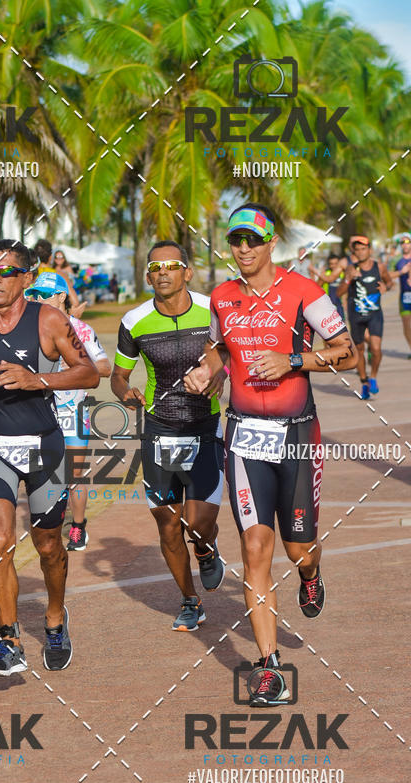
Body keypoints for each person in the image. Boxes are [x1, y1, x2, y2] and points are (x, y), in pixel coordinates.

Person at [184, 203, 358, 705]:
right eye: (236, 240)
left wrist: (293, 360)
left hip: (297, 436)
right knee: (255, 552)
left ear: (271, 243)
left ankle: (310, 571)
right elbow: (220, 349)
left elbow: (348, 351)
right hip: (243, 438)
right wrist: (207, 370)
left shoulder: (304, 291)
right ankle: (269, 667)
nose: (243, 249)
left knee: (297, 548)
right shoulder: (222, 297)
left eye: (252, 240)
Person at [0, 239, 99, 675]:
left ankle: (55, 618)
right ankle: (9, 639)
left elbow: (89, 372)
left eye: (5, 272)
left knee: (49, 545)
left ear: (25, 278)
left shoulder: (49, 319)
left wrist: (36, 379)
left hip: (43, 447)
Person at [111, 240, 226, 633]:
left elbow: (230, 355)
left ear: (187, 272)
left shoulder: (213, 309)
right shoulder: (135, 320)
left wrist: (220, 375)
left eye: (171, 265)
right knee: (167, 523)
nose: (162, 272)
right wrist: (124, 391)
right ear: (147, 275)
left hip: (205, 427)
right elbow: (118, 374)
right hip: (160, 429)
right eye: (155, 267)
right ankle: (190, 601)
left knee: (197, 525)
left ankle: (207, 550)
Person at [26, 271, 111, 550]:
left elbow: (105, 368)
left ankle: (77, 527)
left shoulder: (81, 330)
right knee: (42, 472)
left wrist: (74, 368)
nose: (37, 300)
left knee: (74, 473)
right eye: (33, 295)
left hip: (73, 412)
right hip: (40, 413)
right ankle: (49, 520)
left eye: (43, 295)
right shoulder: (30, 328)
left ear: (61, 296)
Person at [337, 235, 392, 398]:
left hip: (375, 314)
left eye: (363, 249)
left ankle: (373, 377)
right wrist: (348, 279)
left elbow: (389, 282)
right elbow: (339, 293)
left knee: (375, 349)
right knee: (359, 350)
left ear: (369, 250)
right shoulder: (350, 268)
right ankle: (364, 382)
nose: (360, 252)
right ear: (354, 252)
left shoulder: (379, 267)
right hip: (356, 315)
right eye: (357, 250)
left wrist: (385, 287)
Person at [309, 253, 347, 322]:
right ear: (329, 265)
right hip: (328, 306)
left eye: (336, 263)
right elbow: (317, 286)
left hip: (339, 306)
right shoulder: (326, 274)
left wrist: (345, 301)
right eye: (331, 264)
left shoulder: (343, 274)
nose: (334, 266)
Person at [391, 234, 411, 357]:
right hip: (405, 296)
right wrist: (401, 272)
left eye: (407, 242)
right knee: (406, 325)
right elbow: (387, 275)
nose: (405, 244)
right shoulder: (396, 260)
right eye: (402, 242)